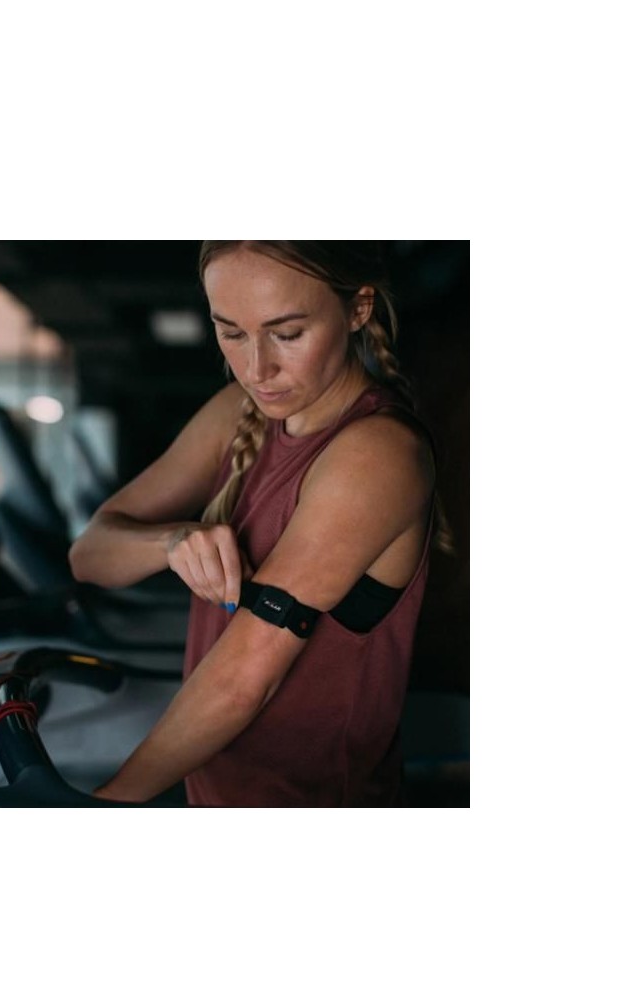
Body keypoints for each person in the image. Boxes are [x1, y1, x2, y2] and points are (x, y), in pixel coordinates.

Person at [67, 241, 451, 807]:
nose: (256, 369)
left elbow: (244, 676)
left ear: (358, 308)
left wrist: (108, 803)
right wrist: (171, 541)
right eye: (231, 332)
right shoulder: (236, 413)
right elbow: (88, 556)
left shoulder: (376, 455)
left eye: (287, 334)